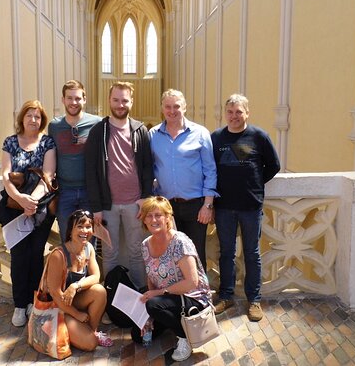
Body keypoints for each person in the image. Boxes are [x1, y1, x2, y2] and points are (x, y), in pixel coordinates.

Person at [210, 94, 280, 322]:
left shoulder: (259, 136)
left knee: (252, 253)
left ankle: (254, 300)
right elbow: (209, 168)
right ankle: (226, 296)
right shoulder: (217, 138)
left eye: (239, 112)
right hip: (223, 206)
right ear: (225, 113)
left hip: (251, 206)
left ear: (247, 113)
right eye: (230, 112)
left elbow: (273, 165)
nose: (234, 116)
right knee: (227, 253)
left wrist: (255, 184)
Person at [84, 81, 153, 288]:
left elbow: (148, 167)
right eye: (116, 100)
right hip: (107, 206)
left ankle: (139, 300)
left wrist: (145, 198)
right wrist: (96, 207)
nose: (120, 104)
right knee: (110, 254)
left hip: (135, 204)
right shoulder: (98, 132)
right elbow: (91, 171)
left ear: (131, 102)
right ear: (109, 101)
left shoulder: (140, 130)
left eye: (124, 100)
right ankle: (112, 299)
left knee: (136, 253)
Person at [0, 100, 57, 327]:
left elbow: (49, 174)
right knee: (19, 255)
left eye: (38, 116)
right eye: (29, 115)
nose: (33, 120)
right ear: (22, 118)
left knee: (36, 253)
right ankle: (19, 305)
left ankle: (35, 300)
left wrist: (32, 200)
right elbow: (6, 175)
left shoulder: (47, 142)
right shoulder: (10, 142)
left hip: (40, 207)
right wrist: (20, 199)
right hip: (15, 207)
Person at [136, 196, 213, 362]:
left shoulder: (179, 241)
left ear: (167, 218)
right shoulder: (145, 244)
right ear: (144, 219)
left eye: (158, 215)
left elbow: (192, 282)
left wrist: (156, 294)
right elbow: (151, 276)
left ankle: (185, 337)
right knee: (137, 334)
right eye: (149, 216)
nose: (153, 220)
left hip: (192, 297)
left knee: (152, 304)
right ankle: (164, 320)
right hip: (167, 296)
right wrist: (149, 309)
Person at [148, 89, 218, 269]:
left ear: (184, 107)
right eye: (168, 107)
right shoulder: (153, 135)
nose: (172, 111)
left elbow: (210, 170)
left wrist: (208, 205)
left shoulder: (200, 133)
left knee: (195, 254)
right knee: (169, 255)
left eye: (176, 106)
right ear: (162, 108)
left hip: (195, 206)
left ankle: (197, 295)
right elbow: (149, 170)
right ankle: (174, 295)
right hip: (167, 208)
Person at [43, 210, 112, 351]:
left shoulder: (88, 248)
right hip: (58, 308)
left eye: (88, 226)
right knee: (91, 344)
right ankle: (78, 333)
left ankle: (91, 331)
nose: (85, 231)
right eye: (79, 227)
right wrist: (77, 315)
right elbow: (56, 295)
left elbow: (96, 277)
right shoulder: (58, 255)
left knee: (99, 290)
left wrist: (75, 286)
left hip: (74, 300)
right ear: (70, 230)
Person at [48, 80, 101, 242]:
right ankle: (73, 269)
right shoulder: (54, 126)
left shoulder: (96, 123)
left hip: (89, 192)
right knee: (68, 241)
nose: (73, 102)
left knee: (87, 243)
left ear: (84, 99)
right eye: (69, 98)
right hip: (64, 193)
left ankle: (85, 269)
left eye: (78, 98)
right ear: (63, 100)